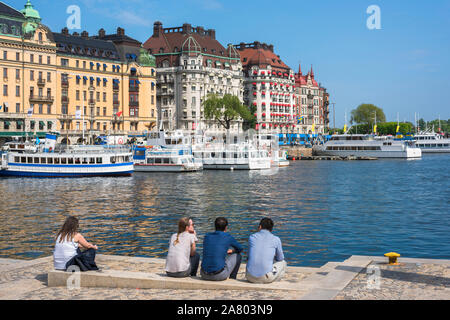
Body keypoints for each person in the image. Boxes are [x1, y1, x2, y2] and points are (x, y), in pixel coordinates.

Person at [246, 218, 286, 284]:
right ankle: (274, 280)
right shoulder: (276, 239)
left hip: (249, 276)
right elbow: (280, 258)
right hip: (265, 277)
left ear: (260, 227)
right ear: (271, 229)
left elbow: (248, 256)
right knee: (283, 263)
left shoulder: (252, 237)